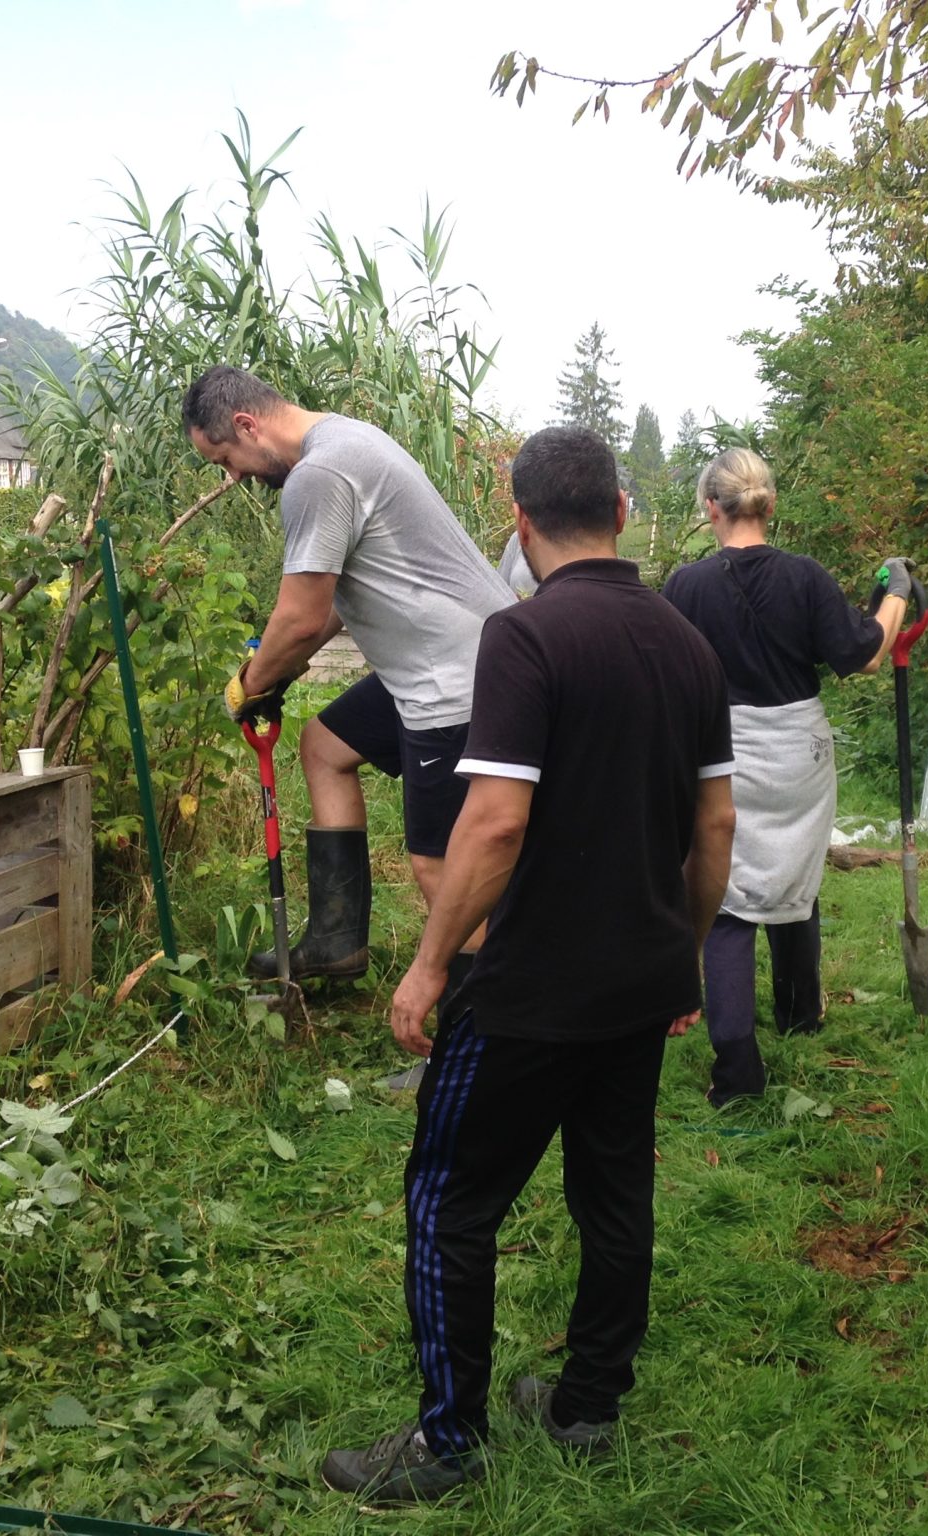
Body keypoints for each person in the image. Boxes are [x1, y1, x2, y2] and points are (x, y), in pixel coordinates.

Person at [320, 428, 737, 1503]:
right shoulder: (687, 644)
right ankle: (586, 1406)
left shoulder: (524, 638)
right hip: (639, 987)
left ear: (517, 516)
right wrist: (682, 957)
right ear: (623, 511)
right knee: (612, 1191)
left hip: (529, 995)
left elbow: (494, 826)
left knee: (449, 1202)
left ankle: (447, 1445)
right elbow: (715, 827)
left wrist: (423, 970)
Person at [184, 366, 515, 994]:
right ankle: (337, 939)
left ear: (247, 426)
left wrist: (248, 684)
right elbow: (335, 594)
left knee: (444, 867)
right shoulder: (349, 440)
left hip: (456, 684)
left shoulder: (317, 476)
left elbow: (302, 616)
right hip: (467, 659)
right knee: (326, 744)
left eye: (224, 457)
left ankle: (475, 1047)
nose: (232, 477)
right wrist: (282, 671)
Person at [661, 448, 911, 1106]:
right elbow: (863, 656)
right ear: (770, 506)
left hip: (723, 752)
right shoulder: (805, 578)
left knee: (731, 901)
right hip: (798, 752)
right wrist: (896, 596)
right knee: (796, 875)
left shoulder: (686, 586)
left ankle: (738, 1071)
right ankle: (801, 1013)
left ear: (709, 508)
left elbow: (667, 675)